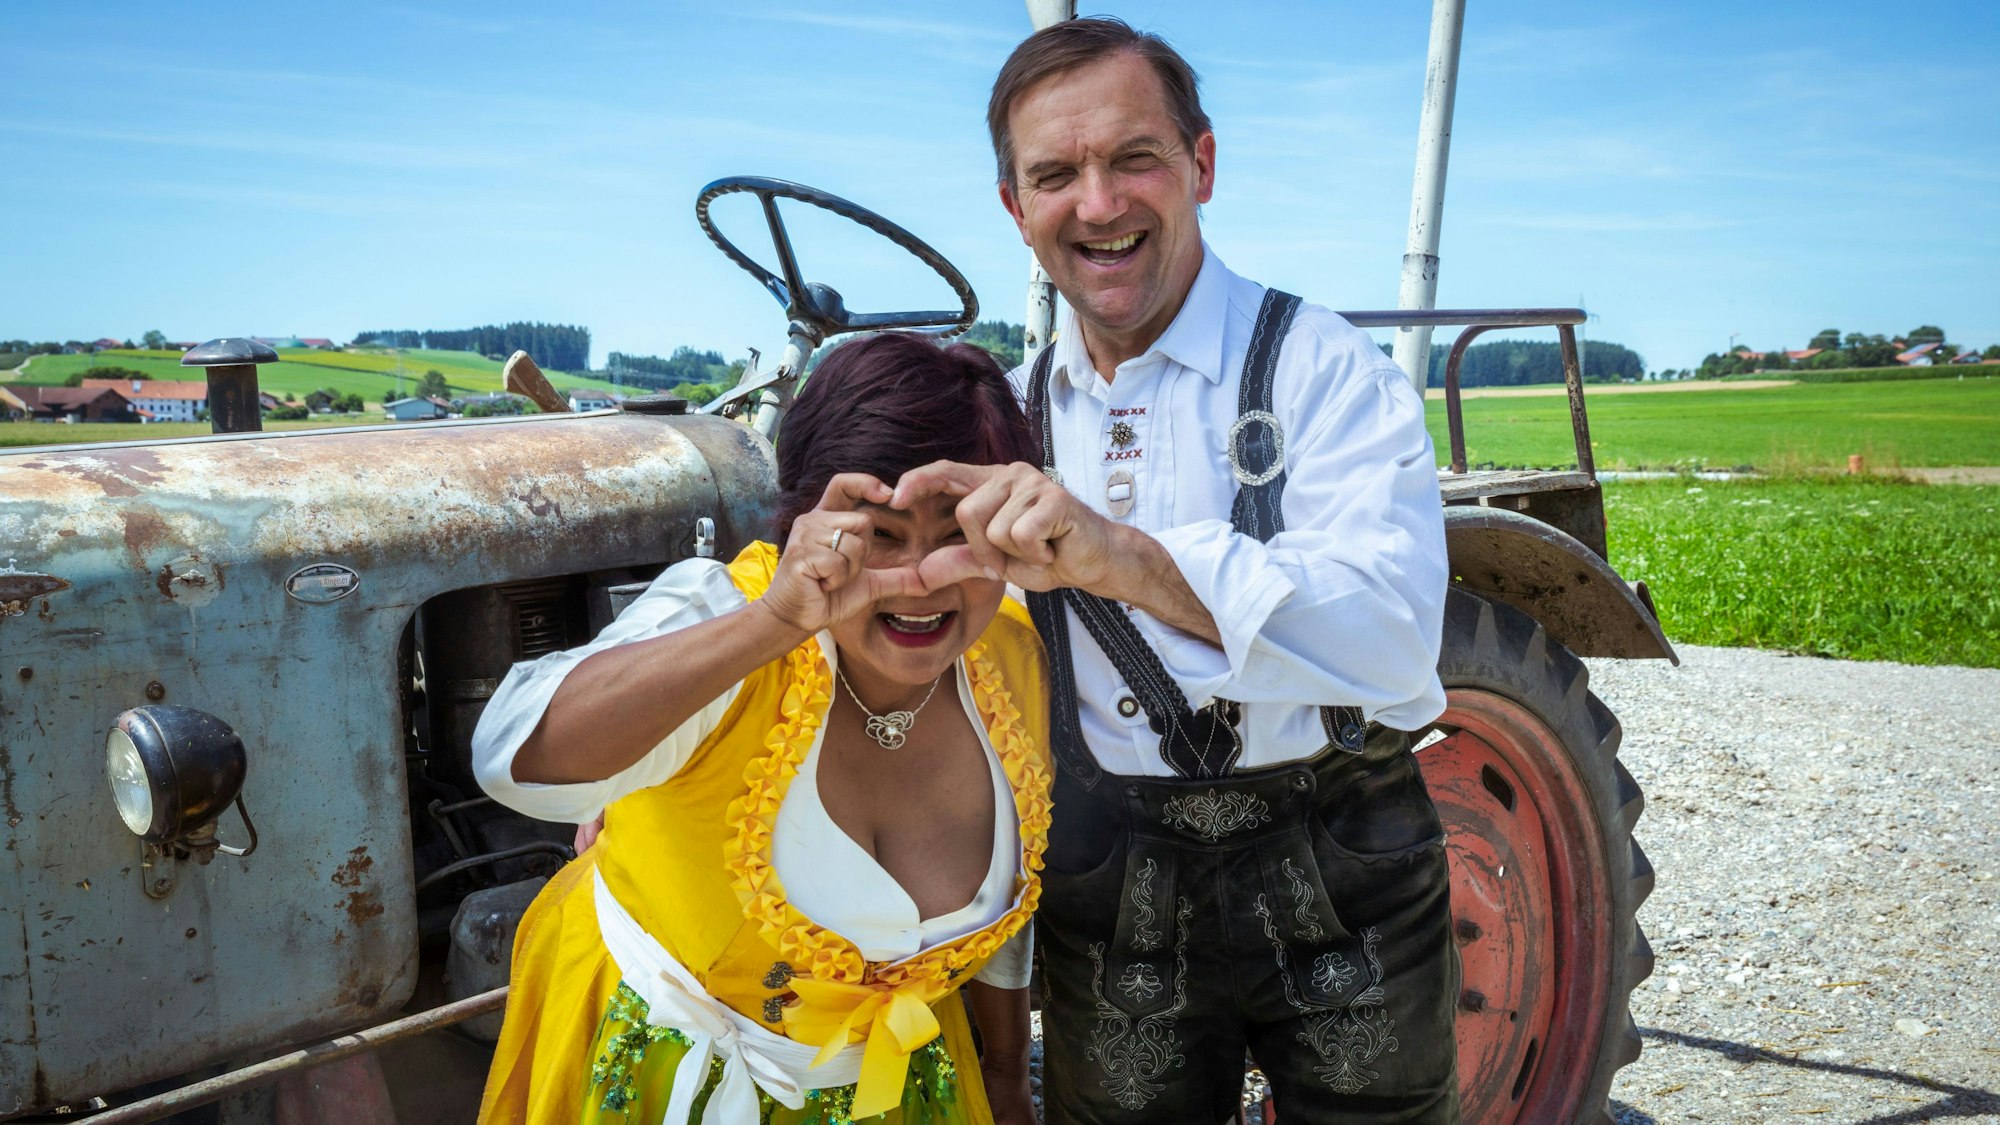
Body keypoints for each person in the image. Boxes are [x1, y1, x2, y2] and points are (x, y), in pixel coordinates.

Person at [892, 18, 1459, 1124]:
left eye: (1132, 158)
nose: (1096, 205)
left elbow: (1393, 636)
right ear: (1014, 207)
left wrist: (1120, 558)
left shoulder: (1324, 369)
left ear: (1200, 165)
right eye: (1055, 174)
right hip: (1114, 886)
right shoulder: (1002, 417)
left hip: (1343, 865)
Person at [471, 332, 1049, 1125]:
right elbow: (510, 755)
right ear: (801, 519)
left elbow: (1013, 893)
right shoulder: (729, 615)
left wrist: (1009, 1074)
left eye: (961, 536)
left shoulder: (1013, 664)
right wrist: (776, 619)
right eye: (879, 533)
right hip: (660, 1084)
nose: (921, 581)